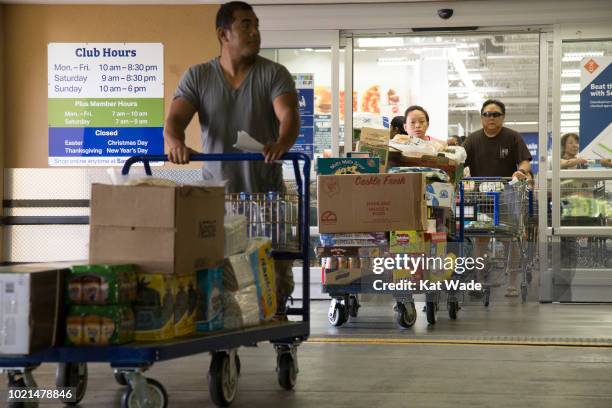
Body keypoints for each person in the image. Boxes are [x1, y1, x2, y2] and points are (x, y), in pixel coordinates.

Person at [164, 1, 300, 317]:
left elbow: (289, 115)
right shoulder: (198, 76)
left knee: (275, 275)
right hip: (218, 199)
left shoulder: (273, 73)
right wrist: (175, 143)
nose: (255, 32)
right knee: (221, 274)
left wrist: (282, 142)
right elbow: (174, 122)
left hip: (267, 197)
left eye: (256, 24)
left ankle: (280, 330)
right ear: (223, 33)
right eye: (245, 25)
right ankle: (223, 342)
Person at [464, 100, 533, 298]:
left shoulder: (512, 137)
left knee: (509, 238)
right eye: (487, 114)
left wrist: (520, 171)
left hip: (508, 194)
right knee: (480, 238)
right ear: (481, 117)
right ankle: (480, 278)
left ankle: (512, 282)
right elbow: (461, 160)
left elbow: (525, 161)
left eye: (495, 114)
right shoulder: (473, 139)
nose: (491, 118)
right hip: (479, 196)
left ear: (503, 117)